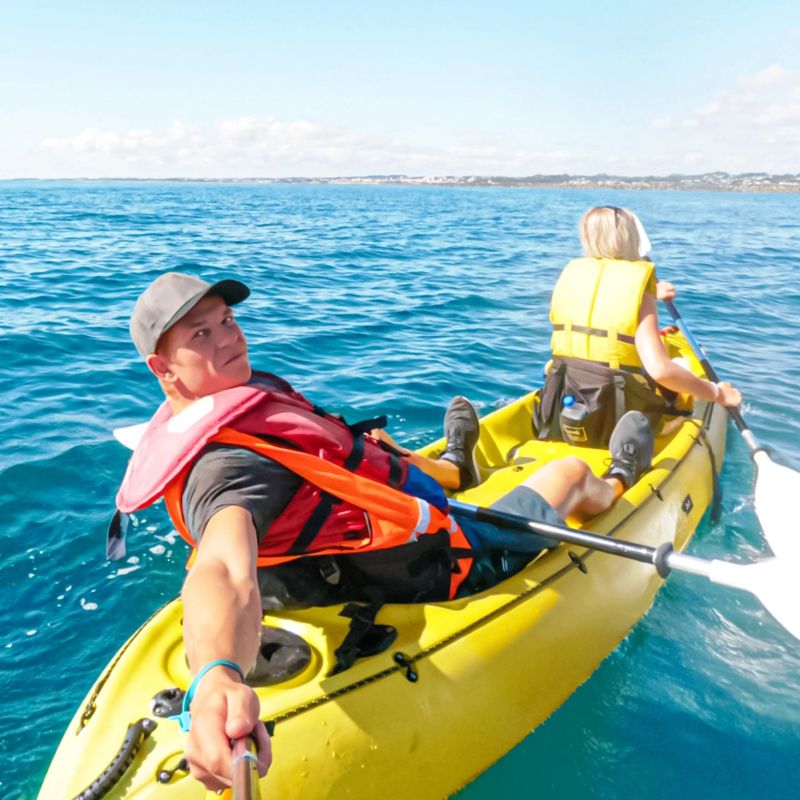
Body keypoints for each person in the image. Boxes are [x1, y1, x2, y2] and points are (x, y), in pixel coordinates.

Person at [115, 271, 657, 791]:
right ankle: (613, 481)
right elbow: (223, 565)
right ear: (163, 367)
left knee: (381, 455)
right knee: (568, 473)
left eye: (228, 320)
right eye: (201, 334)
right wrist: (215, 675)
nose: (228, 337)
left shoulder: (235, 399)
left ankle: (454, 465)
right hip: (432, 565)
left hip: (327, 558)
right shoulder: (228, 468)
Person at [534, 205, 741, 447]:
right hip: (613, 408)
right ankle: (673, 416)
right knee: (676, 367)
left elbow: (602, 307)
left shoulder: (571, 274)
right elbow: (660, 370)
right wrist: (717, 393)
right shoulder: (639, 284)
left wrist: (653, 291)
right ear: (630, 237)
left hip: (563, 392)